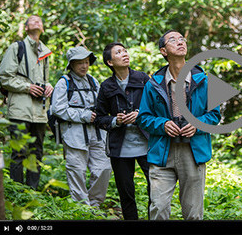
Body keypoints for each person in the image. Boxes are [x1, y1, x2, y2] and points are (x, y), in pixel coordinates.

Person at [137, 30, 221, 220]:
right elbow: (143, 117)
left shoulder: (204, 81)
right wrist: (163, 124)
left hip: (193, 152)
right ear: (163, 51)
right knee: (158, 207)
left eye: (182, 39)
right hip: (162, 152)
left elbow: (215, 115)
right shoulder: (153, 84)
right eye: (173, 40)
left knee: (193, 213)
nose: (180, 42)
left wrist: (197, 124)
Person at [95, 42, 151, 220]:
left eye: (125, 51)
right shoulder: (106, 87)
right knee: (126, 194)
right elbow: (99, 118)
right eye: (119, 52)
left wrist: (140, 115)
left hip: (147, 144)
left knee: (156, 190)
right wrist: (115, 120)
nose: (125, 54)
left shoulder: (143, 78)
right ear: (110, 62)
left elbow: (158, 106)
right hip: (120, 149)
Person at [50, 46, 111, 207]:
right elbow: (57, 108)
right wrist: (82, 115)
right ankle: (82, 209)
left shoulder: (93, 80)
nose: (84, 66)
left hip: (97, 133)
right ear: (71, 65)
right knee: (77, 171)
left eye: (86, 62)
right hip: (74, 134)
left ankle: (95, 204)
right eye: (79, 63)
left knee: (103, 168)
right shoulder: (64, 83)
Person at [0, 15, 53, 190]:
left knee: (36, 152)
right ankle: (17, 191)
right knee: (19, 152)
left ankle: (33, 191)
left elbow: (43, 79)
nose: (37, 22)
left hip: (39, 112)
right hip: (20, 109)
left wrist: (48, 85)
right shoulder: (17, 48)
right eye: (32, 20)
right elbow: (4, 76)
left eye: (40, 21)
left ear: (42, 29)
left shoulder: (45, 52)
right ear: (26, 28)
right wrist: (27, 87)